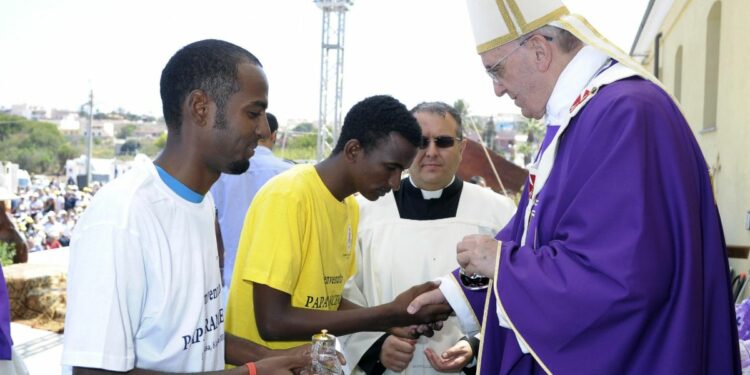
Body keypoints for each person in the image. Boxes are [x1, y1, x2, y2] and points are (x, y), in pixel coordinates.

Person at [408, 1, 740, 373]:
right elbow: (533, 232)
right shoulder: (581, 115)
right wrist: (456, 292)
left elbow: (625, 278)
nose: (498, 90)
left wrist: (500, 263)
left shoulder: (625, 114)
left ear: (539, 49)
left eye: (496, 71)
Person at [62, 39, 311, 375]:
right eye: (254, 113)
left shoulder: (203, 204)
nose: (264, 130)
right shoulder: (123, 218)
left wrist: (272, 357)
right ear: (200, 107)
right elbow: (93, 372)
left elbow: (195, 336)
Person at [225, 95, 453, 352]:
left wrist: (392, 322)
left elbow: (328, 301)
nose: (395, 183)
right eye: (390, 167)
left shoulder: (350, 207)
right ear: (354, 150)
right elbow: (272, 322)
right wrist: (387, 315)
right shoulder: (289, 196)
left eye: (402, 171)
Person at [341, 101, 516, 375]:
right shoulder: (364, 212)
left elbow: (513, 296)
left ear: (462, 147)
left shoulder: (498, 213)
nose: (431, 152)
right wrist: (376, 346)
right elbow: (343, 294)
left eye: (443, 142)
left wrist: (475, 346)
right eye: (421, 142)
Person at [211, 112, 293, 301]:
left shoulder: (223, 174)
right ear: (274, 136)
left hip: (233, 283)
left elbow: (214, 227)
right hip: (279, 287)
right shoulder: (290, 173)